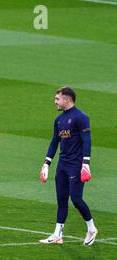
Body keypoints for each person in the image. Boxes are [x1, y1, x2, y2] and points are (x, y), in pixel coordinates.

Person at [39, 86, 98, 245]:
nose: (55, 102)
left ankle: (91, 228)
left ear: (67, 99)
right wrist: (47, 163)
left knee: (76, 199)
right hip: (63, 164)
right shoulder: (58, 120)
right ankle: (57, 234)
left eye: (57, 98)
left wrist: (86, 164)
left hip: (76, 165)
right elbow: (54, 142)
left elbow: (87, 140)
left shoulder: (81, 117)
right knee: (62, 199)